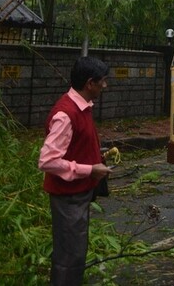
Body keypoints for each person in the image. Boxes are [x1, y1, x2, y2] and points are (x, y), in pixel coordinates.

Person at [38, 56, 112, 286]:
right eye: (103, 81)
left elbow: (74, 145)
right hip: (68, 196)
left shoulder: (82, 108)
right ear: (90, 83)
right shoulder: (65, 115)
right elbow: (48, 161)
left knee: (75, 252)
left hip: (76, 194)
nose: (105, 86)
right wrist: (90, 169)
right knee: (69, 255)